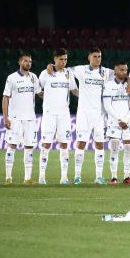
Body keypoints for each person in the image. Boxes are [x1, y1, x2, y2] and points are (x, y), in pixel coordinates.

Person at [67, 47, 112, 184]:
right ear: (89, 58)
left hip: (99, 114)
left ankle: (98, 176)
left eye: (99, 56)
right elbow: (65, 70)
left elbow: (121, 73)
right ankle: (77, 176)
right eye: (95, 56)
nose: (97, 59)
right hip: (84, 113)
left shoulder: (105, 72)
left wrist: (128, 80)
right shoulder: (80, 70)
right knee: (81, 143)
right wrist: (51, 67)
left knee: (100, 144)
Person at [37, 48, 77, 185]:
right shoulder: (45, 73)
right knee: (46, 144)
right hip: (49, 114)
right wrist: (47, 99)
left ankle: (64, 177)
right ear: (54, 59)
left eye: (65, 59)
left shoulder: (68, 74)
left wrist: (88, 96)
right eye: (61, 59)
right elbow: (38, 90)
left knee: (65, 144)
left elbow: (74, 90)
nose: (64, 62)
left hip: (64, 115)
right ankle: (41, 176)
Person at [2, 51, 42, 184]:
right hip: (15, 118)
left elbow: (39, 93)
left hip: (30, 118)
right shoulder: (12, 78)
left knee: (29, 147)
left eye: (30, 61)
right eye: (25, 61)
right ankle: (8, 177)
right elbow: (5, 97)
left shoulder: (34, 77)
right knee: (12, 145)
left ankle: (27, 178)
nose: (28, 63)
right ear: (20, 62)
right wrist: (5, 117)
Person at [103, 61, 130, 184]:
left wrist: (126, 119)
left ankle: (127, 176)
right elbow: (107, 106)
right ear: (115, 70)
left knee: (129, 149)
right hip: (114, 122)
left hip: (128, 121)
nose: (124, 72)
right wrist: (119, 119)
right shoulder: (108, 85)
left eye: (125, 70)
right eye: (121, 70)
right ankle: (113, 177)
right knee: (114, 149)